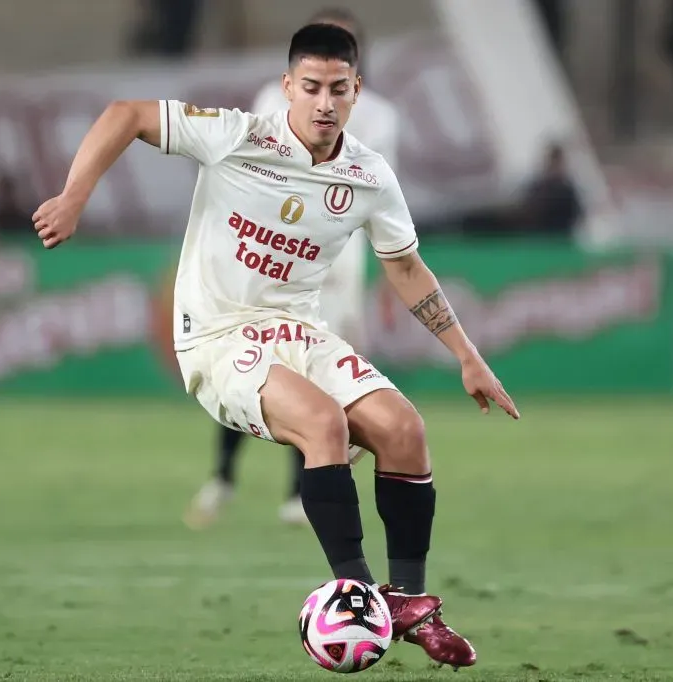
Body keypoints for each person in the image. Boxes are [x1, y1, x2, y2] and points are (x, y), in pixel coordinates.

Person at [32, 23, 519, 670]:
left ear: (357, 90)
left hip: (297, 331)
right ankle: (357, 597)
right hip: (215, 336)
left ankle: (408, 603)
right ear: (287, 86)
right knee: (323, 422)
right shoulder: (239, 136)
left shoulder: (368, 174)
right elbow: (126, 114)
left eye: (338, 89)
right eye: (311, 87)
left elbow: (405, 266)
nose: (324, 102)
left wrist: (466, 354)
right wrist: (74, 197)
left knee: (404, 428)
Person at [184, 7, 402, 530]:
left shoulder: (381, 117)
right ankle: (223, 475)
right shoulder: (270, 98)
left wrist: (384, 278)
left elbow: (382, 203)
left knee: (314, 377)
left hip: (338, 262)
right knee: (248, 361)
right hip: (272, 252)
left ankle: (296, 492)